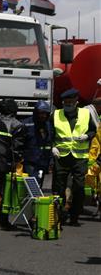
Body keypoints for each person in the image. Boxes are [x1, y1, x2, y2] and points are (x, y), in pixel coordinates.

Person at [52, 88, 96, 226]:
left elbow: (93, 130)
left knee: (79, 187)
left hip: (79, 157)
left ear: (76, 102)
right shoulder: (56, 114)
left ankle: (75, 215)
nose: (68, 105)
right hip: (61, 156)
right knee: (59, 186)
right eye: (65, 102)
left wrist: (87, 136)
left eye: (70, 102)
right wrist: (52, 146)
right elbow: (50, 133)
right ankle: (59, 214)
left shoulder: (85, 114)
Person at [0, 98, 25, 230]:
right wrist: (16, 162)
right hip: (5, 164)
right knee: (3, 192)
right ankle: (3, 222)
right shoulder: (17, 125)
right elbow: (17, 148)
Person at [22, 101, 53, 184]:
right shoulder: (26, 124)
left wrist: (50, 161)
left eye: (44, 113)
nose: (42, 116)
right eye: (40, 113)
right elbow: (19, 143)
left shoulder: (49, 126)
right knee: (32, 186)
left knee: (38, 185)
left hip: (43, 162)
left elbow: (49, 143)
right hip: (30, 162)